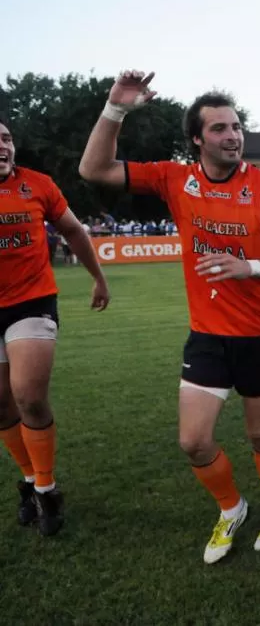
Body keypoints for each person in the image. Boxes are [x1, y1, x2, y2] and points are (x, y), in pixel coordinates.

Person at [79, 71, 260, 563]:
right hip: (206, 334)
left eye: (237, 126)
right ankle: (232, 508)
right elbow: (94, 169)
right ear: (197, 139)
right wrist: (115, 107)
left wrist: (249, 267)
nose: (233, 136)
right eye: (220, 128)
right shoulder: (175, 178)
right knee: (192, 440)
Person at [0, 119, 110, 536]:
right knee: (1, 405)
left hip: (31, 300)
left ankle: (47, 488)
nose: (3, 146)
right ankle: (29, 480)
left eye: (7, 138)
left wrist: (98, 278)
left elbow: (73, 230)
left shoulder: (38, 184)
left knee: (27, 396)